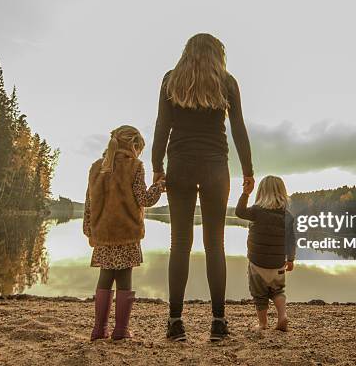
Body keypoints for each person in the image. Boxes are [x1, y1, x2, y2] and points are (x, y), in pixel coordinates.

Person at [152, 33, 254, 341]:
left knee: (179, 245)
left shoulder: (171, 80)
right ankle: (218, 322)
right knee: (215, 245)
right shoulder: (227, 82)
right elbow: (238, 128)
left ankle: (174, 322)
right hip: (215, 168)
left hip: (180, 166)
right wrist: (248, 170)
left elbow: (162, 126)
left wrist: (157, 167)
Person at [83, 125, 165, 341]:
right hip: (126, 234)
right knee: (124, 279)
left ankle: (98, 330)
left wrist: (89, 230)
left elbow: (89, 202)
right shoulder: (135, 166)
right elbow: (144, 199)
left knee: (105, 277)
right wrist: (159, 186)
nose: (139, 154)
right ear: (134, 145)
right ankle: (121, 331)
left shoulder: (96, 167)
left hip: (103, 234)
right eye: (140, 149)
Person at [235, 175, 296, 332]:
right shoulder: (287, 216)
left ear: (261, 192)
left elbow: (239, 212)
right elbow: (291, 240)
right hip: (278, 263)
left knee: (260, 295)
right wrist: (291, 259)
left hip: (257, 262)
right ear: (283, 193)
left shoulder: (256, 211)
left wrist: (245, 194)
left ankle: (263, 324)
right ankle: (282, 316)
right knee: (278, 291)